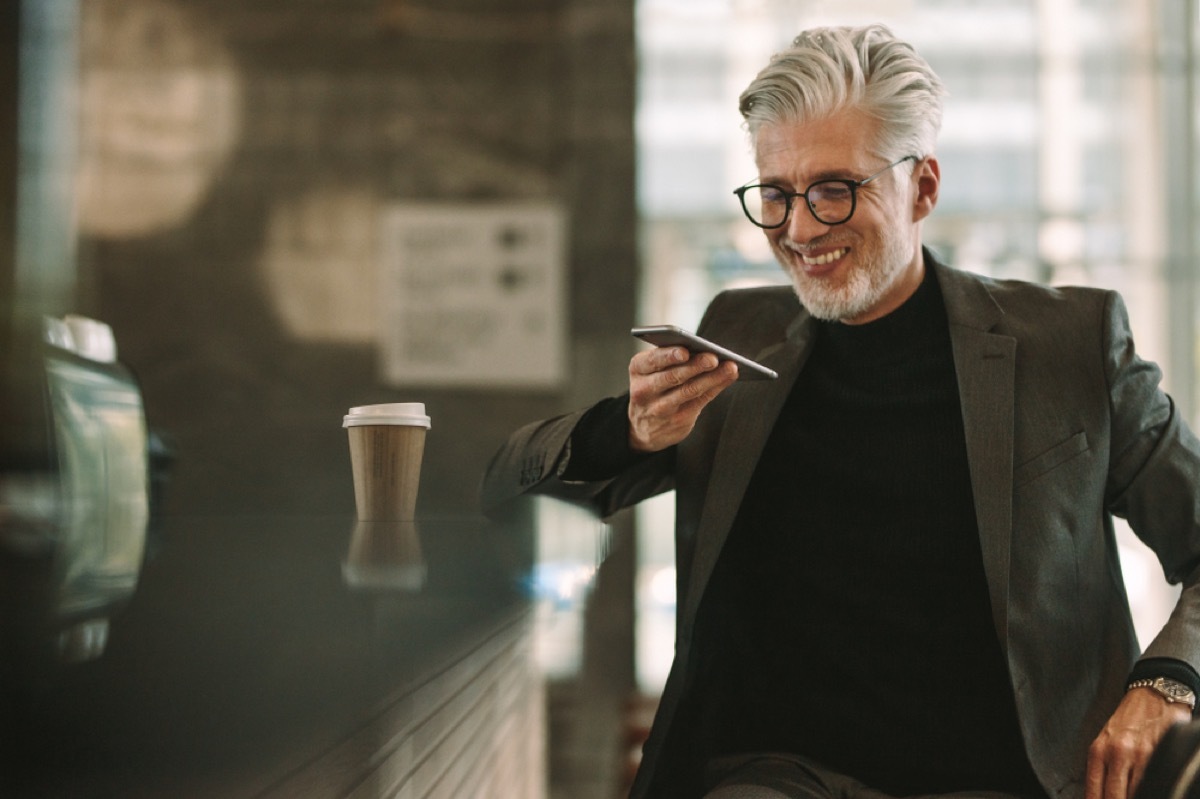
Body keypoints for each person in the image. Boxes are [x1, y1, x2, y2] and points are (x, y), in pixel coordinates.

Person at [480, 24, 1200, 799]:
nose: (797, 230)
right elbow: (507, 491)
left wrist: (1166, 683)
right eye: (778, 195)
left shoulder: (1069, 345)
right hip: (777, 779)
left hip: (1008, 780)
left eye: (834, 190)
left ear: (923, 186)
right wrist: (628, 430)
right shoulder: (737, 335)